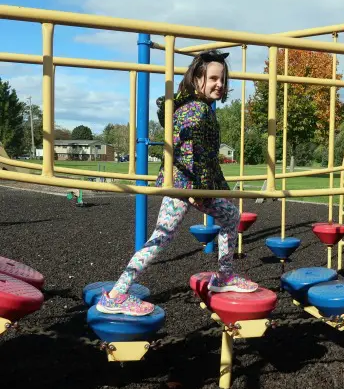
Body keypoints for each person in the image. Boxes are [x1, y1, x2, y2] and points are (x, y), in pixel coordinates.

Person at [96, 50, 258, 317]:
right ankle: (116, 294)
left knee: (172, 233)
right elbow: (193, 152)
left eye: (223, 79)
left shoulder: (187, 105)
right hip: (188, 184)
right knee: (166, 236)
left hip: (184, 181)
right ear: (197, 79)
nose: (220, 84)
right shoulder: (197, 111)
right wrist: (197, 191)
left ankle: (224, 276)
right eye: (214, 78)